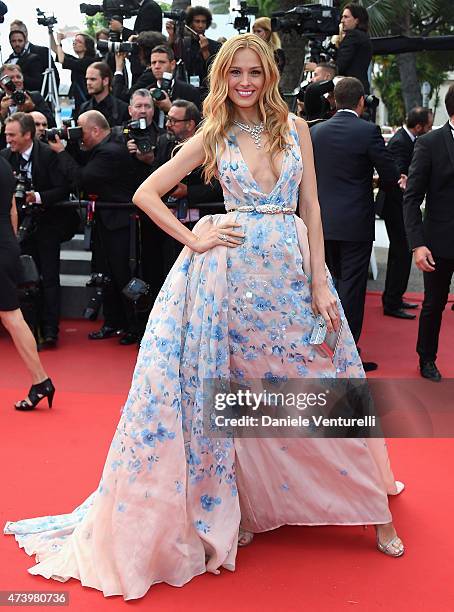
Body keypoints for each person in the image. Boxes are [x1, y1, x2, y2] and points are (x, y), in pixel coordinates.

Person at [4, 35, 404, 601]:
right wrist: (194, 236)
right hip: (233, 281)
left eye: (255, 72)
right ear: (223, 76)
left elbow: (311, 204)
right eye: (235, 72)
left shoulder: (296, 129)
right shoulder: (213, 132)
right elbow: (146, 192)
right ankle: (246, 500)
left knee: (323, 389)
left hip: (291, 271)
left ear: (269, 75)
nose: (245, 82)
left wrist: (320, 279)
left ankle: (370, 505)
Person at [310, 77, 400, 370]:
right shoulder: (368, 131)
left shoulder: (315, 132)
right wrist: (376, 186)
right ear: (361, 101)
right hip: (355, 223)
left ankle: (320, 345)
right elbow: (389, 175)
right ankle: (346, 353)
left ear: (333, 100)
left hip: (320, 221)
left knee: (325, 282)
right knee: (351, 287)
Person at [48, 110, 143, 345]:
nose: (78, 135)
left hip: (121, 225)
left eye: (81, 130)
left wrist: (61, 152)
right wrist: (68, 145)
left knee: (122, 275)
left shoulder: (110, 152)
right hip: (106, 222)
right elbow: (81, 163)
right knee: (106, 275)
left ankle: (134, 326)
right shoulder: (101, 149)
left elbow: (82, 178)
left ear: (95, 130)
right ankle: (113, 322)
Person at [1, 112, 74, 348]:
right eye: (6, 134)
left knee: (48, 277)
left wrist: (38, 197)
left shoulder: (48, 154)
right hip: (17, 227)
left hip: (47, 224)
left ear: (27, 135)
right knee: (22, 280)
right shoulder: (4, 158)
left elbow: (64, 188)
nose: (7, 139)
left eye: (12, 135)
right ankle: (27, 328)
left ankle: (50, 330)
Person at [402, 85, 454, 382]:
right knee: (434, 304)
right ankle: (427, 358)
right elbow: (412, 197)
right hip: (439, 241)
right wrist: (417, 244)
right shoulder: (430, 143)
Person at [0, 155, 55, 410]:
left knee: (11, 316)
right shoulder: (4, 165)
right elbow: (12, 210)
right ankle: (40, 381)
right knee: (12, 316)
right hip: (7, 244)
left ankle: (41, 380)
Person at [378, 107, 433, 320]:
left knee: (401, 254)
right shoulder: (401, 142)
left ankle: (395, 297)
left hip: (398, 206)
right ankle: (391, 301)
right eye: (428, 127)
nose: (429, 130)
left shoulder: (407, 139)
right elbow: (398, 174)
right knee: (400, 254)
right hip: (395, 206)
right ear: (418, 127)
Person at [166, 6, 221, 94]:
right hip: (185, 89)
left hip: (207, 90)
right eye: (197, 21)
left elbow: (215, 70)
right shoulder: (183, 44)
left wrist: (205, 51)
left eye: (203, 22)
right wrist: (171, 36)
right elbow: (168, 57)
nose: (200, 25)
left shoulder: (215, 45)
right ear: (190, 23)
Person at [6, 20, 60, 94]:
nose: (14, 35)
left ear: (26, 33)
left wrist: (48, 101)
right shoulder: (9, 60)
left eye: (17, 32)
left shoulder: (42, 52)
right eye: (12, 33)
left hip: (40, 99)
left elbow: (54, 79)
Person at [51, 31, 97, 113]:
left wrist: (59, 41)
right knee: (67, 117)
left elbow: (62, 59)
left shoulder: (88, 62)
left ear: (86, 47)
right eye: (74, 41)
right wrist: (50, 33)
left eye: (79, 42)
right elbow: (56, 50)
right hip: (74, 96)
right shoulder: (77, 60)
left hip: (83, 99)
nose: (74, 43)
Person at [76, 62, 130, 127]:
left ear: (105, 81)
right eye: (87, 79)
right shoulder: (84, 108)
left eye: (93, 79)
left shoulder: (122, 108)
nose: (88, 83)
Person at [336, 4, 372, 94]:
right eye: (342, 17)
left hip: (350, 91)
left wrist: (319, 68)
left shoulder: (353, 36)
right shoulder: (364, 36)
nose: (342, 21)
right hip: (360, 88)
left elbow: (340, 66)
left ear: (356, 20)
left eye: (346, 17)